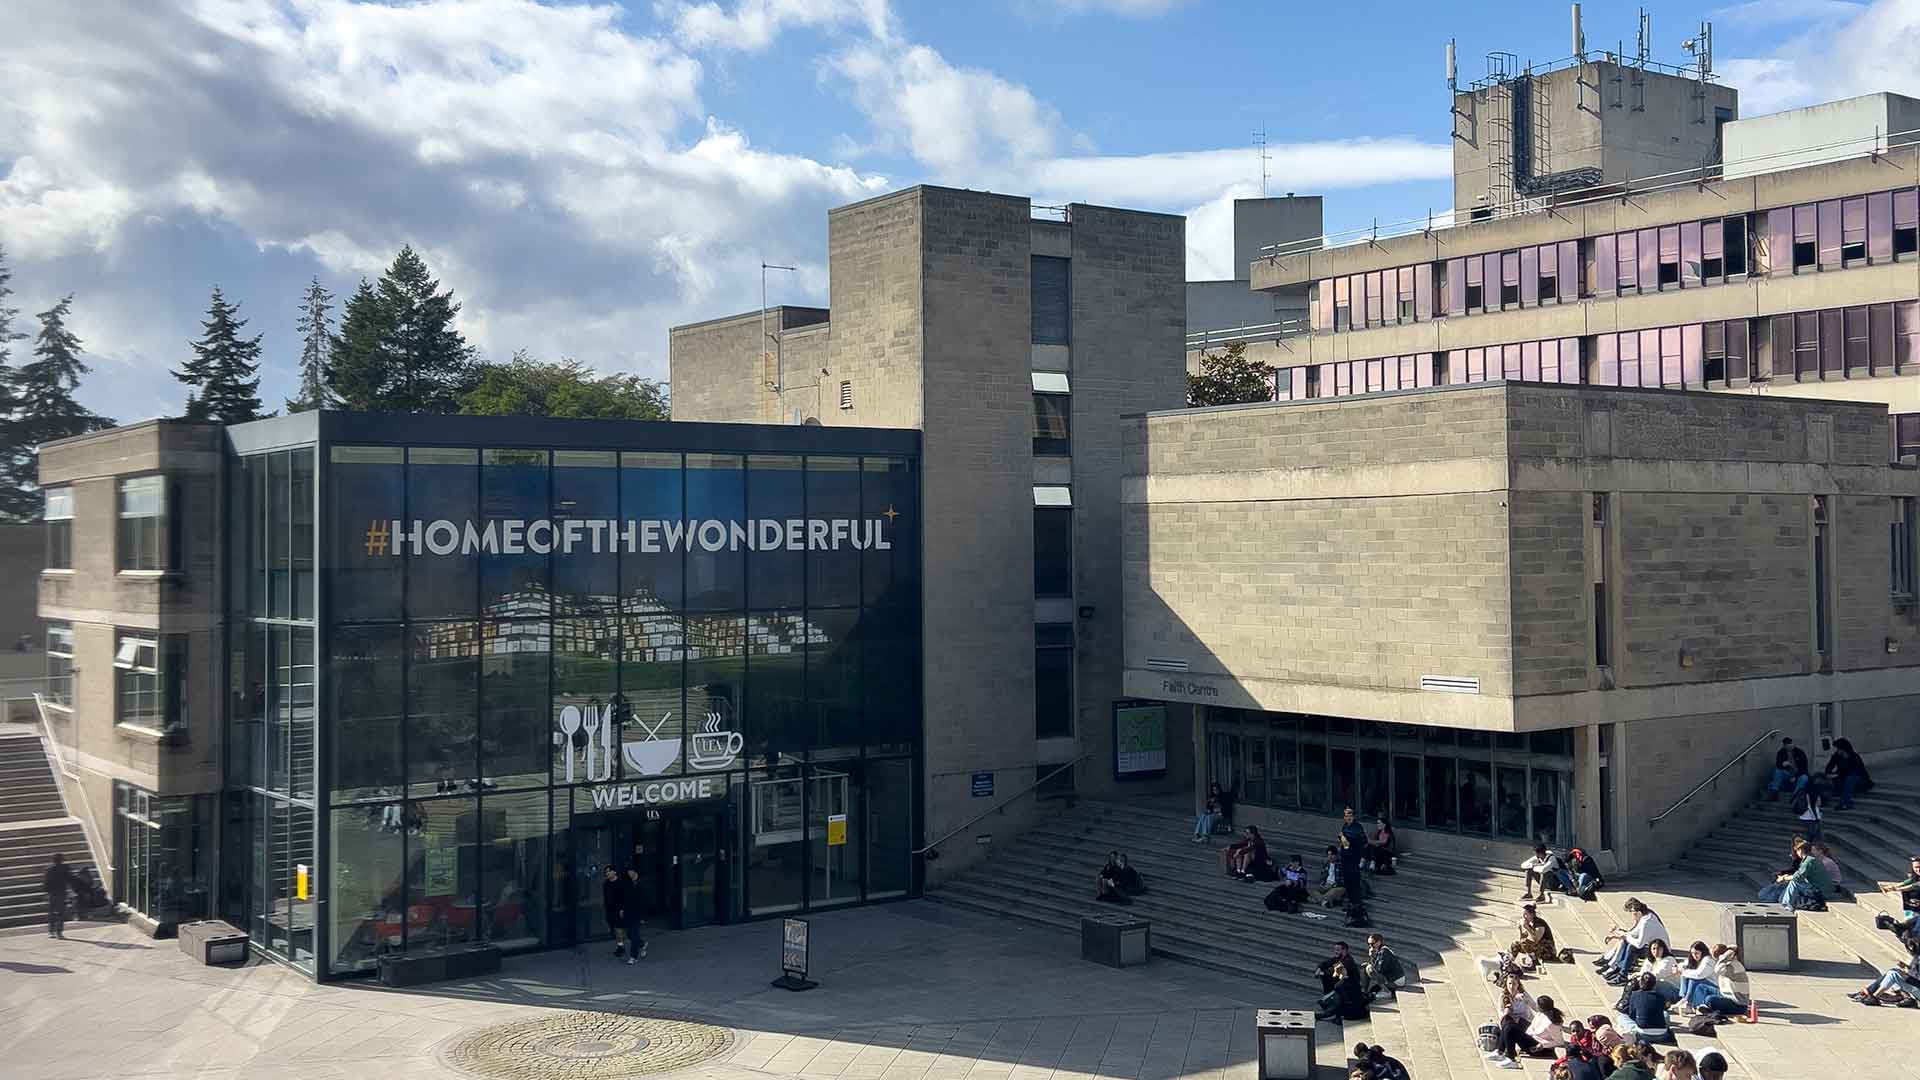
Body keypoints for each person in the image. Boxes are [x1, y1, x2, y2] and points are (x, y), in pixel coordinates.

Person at [1597, 898, 1667, 980]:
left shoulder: (1646, 922)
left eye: (1632, 913)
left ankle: (1622, 975)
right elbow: (1632, 933)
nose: (1631, 916)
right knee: (1626, 941)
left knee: (1632, 947)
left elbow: (1639, 944)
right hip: (1651, 945)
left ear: (1639, 913)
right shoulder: (1645, 917)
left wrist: (1625, 936)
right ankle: (1616, 966)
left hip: (1660, 950)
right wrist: (1617, 934)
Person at [1759, 837, 1831, 910]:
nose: (1796, 853)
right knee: (1789, 882)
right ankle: (1774, 900)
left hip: (1820, 891)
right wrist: (1787, 876)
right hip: (1818, 888)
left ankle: (1786, 905)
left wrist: (1784, 878)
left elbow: (1798, 877)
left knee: (1794, 883)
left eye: (1796, 851)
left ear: (1800, 850)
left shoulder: (1809, 861)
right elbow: (1800, 874)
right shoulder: (1810, 859)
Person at [1485, 972, 1537, 1070]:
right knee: (1507, 1023)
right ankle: (1503, 1054)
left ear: (1518, 984)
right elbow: (1500, 1013)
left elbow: (1534, 1007)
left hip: (1523, 1021)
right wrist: (1507, 1012)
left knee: (1509, 1027)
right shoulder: (1503, 996)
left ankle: (1503, 1052)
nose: (1512, 986)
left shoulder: (1523, 995)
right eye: (1509, 983)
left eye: (1514, 984)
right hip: (1511, 1022)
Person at [1614, 972, 1671, 1043]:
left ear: (1640, 983)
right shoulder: (1660, 996)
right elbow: (1664, 1008)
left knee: (1621, 1017)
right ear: (1654, 985)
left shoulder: (1635, 995)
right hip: (1662, 1034)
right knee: (1665, 1014)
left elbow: (1632, 1015)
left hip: (1642, 1034)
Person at [1822, 737, 1874, 809]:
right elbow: (1829, 766)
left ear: (1843, 749)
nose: (1837, 750)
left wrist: (1837, 774)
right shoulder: (1836, 756)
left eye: (1838, 749)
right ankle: (1822, 800)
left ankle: (1845, 803)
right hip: (1843, 779)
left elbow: (1856, 772)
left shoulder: (1854, 757)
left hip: (1858, 780)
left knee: (1850, 778)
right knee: (1820, 777)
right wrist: (1828, 773)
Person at [1848, 954, 1920, 1006]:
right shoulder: (1917, 956)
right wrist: (1906, 968)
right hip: (1916, 987)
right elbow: (1914, 974)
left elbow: (1915, 978)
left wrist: (1904, 973)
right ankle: (1869, 994)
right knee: (1892, 973)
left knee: (1893, 973)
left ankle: (1873, 996)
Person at [1877, 853, 1920, 923]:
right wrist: (1890, 887)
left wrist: (1894, 889)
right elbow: (1904, 883)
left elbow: (1912, 886)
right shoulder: (1915, 877)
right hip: (1912, 909)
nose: (1918, 869)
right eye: (1916, 867)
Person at [1364, 933, 1408, 999]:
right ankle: (1365, 991)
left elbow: (1380, 969)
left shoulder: (1384, 952)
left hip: (1396, 981)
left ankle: (1386, 992)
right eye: (1369, 944)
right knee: (1366, 967)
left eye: (1372, 944)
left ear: (1379, 942)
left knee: (1370, 969)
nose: (1370, 946)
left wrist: (1372, 957)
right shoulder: (1381, 951)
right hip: (1392, 978)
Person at [43, 853, 72, 939]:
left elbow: (46, 883)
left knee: (51, 912)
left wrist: (46, 893)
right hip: (61, 892)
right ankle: (59, 932)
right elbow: (70, 879)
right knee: (61, 913)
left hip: (52, 893)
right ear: (61, 860)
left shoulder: (49, 869)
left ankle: (51, 931)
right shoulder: (65, 868)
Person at [621, 867, 647, 962]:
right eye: (628, 873)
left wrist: (643, 917)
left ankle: (633, 957)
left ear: (635, 872)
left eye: (631, 872)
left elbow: (644, 902)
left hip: (638, 913)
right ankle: (642, 944)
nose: (630, 874)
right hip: (628, 912)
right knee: (629, 935)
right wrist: (622, 909)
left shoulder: (641, 884)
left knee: (635, 935)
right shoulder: (627, 884)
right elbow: (625, 898)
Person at [602, 866, 628, 957]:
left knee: (619, 929)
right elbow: (606, 897)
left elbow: (625, 897)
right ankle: (622, 944)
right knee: (616, 929)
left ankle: (621, 947)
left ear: (614, 872)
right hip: (610, 910)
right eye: (606, 872)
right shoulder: (606, 884)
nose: (607, 873)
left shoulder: (621, 883)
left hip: (619, 909)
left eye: (609, 871)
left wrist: (622, 909)